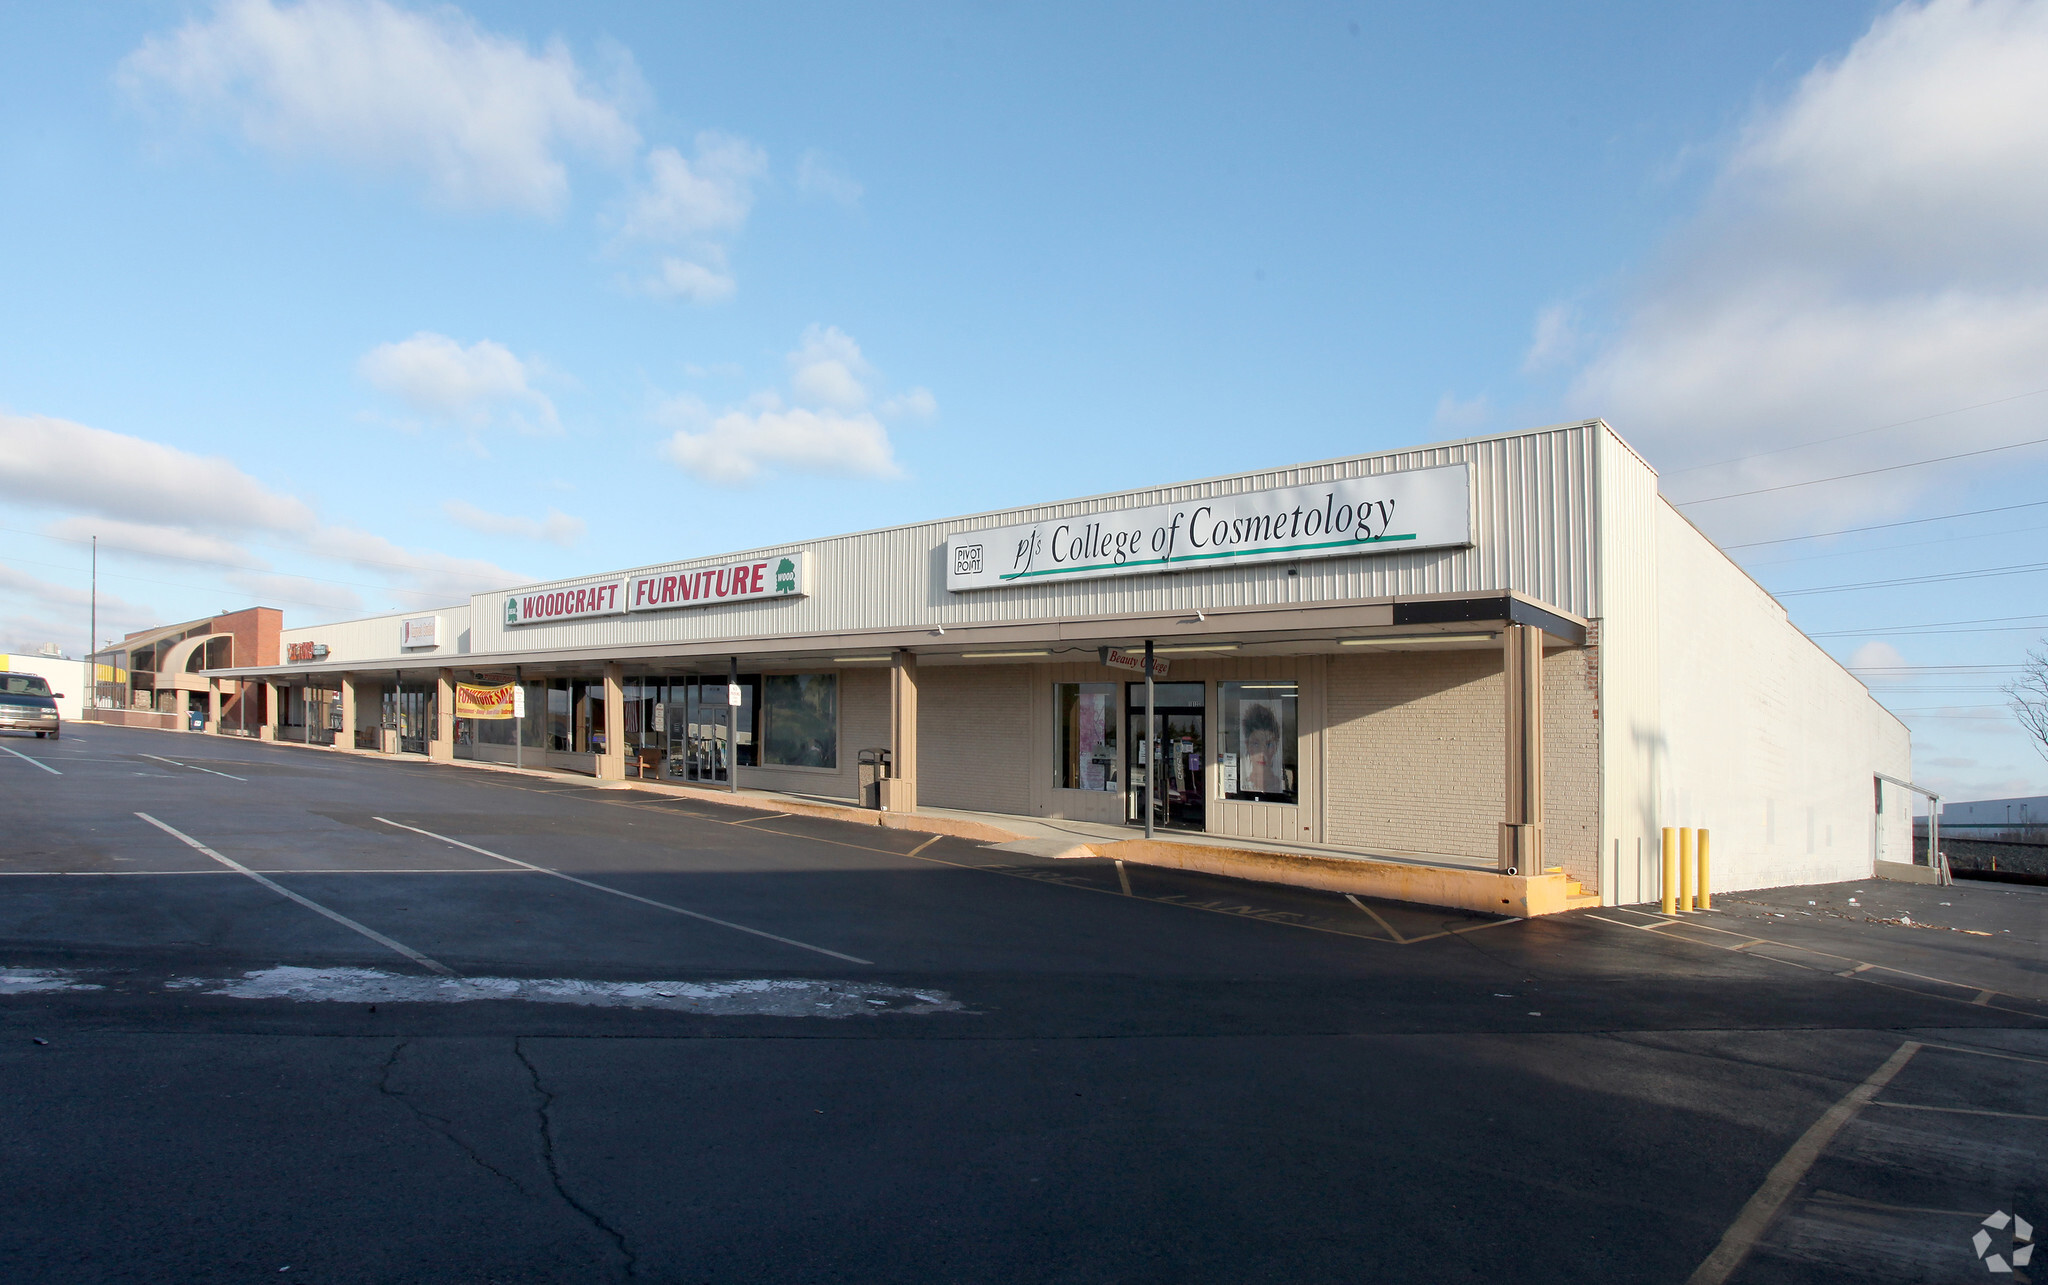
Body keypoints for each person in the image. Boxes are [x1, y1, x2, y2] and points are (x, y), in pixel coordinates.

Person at [1240, 701, 1283, 795]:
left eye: (1269, 744)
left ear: (1276, 747)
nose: (1263, 753)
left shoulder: (1281, 788)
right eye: (1256, 744)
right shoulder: (1240, 789)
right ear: (1247, 746)